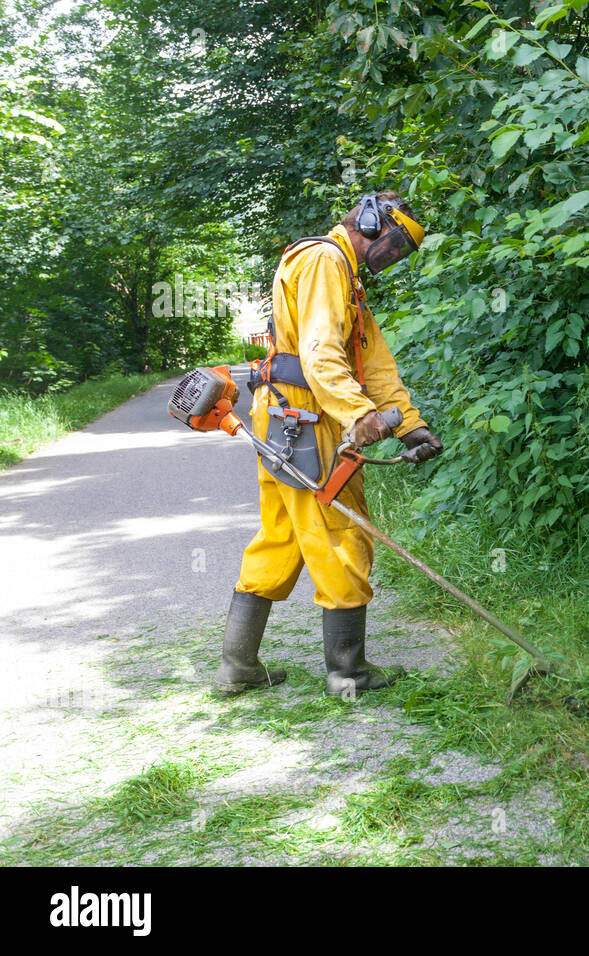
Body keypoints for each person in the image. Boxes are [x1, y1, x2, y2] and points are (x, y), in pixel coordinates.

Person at [214, 191, 442, 697]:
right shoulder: (324, 260)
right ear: (370, 222)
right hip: (305, 418)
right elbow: (320, 355)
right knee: (341, 535)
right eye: (396, 244)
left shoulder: (348, 279)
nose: (394, 257)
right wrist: (358, 415)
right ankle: (348, 674)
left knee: (283, 537)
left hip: (284, 418)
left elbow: (375, 365)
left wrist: (410, 425)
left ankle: (237, 667)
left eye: (403, 252)